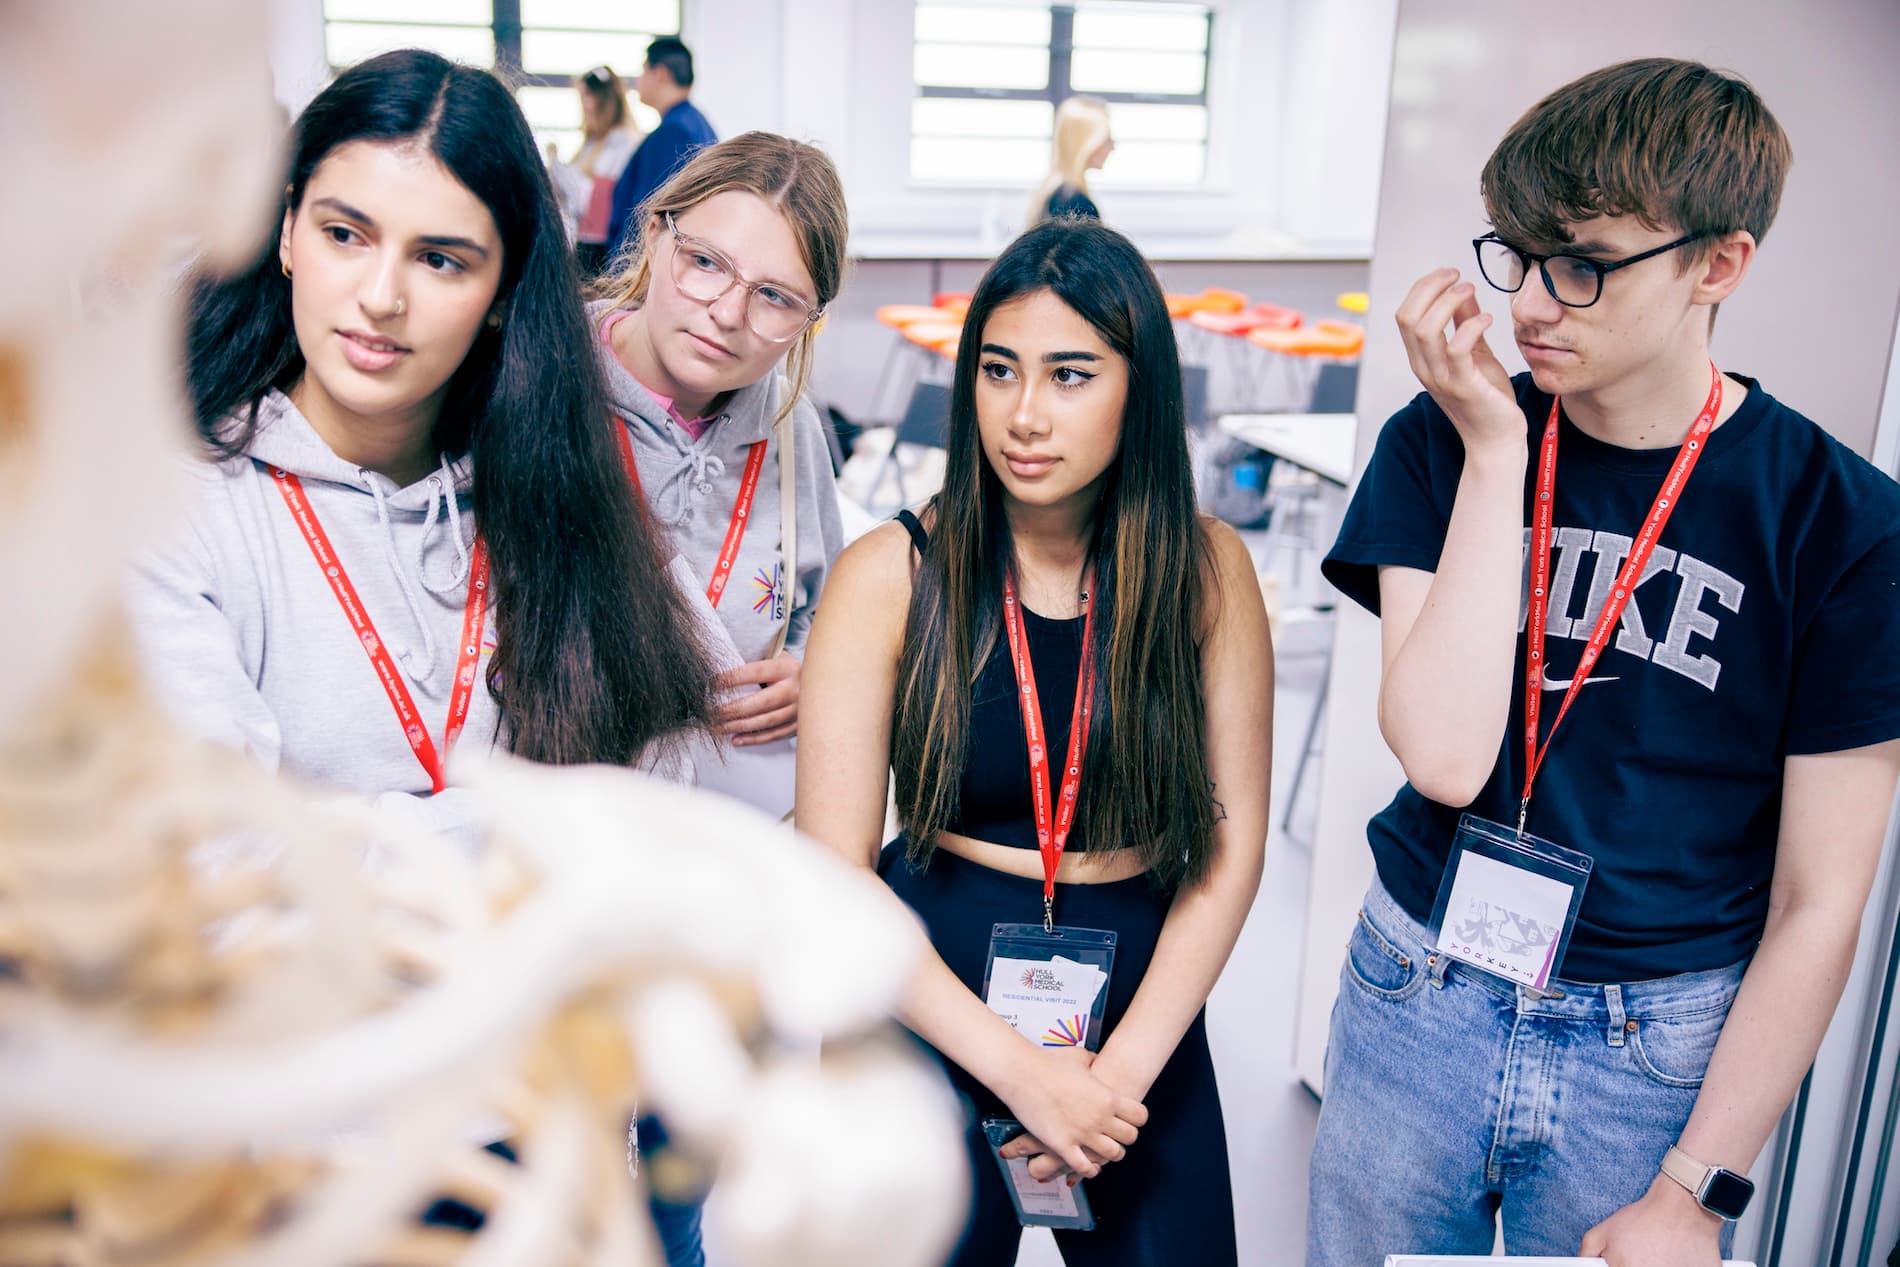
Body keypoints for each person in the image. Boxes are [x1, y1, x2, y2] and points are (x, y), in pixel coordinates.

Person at [130, 47, 720, 1259]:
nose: (380, 297)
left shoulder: (554, 504)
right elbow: (231, 875)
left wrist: (367, 831)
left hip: (546, 1142)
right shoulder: (176, 508)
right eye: (346, 233)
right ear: (284, 231)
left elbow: (656, 804)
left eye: (441, 257)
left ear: (505, 290)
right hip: (300, 1163)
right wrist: (533, 841)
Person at [1309, 57, 1900, 1265]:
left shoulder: (1843, 524)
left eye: (1580, 264)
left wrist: (1694, 1191)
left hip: (1651, 1046)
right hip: (1418, 985)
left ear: (1717, 266)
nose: (1530, 303)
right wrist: (1490, 447)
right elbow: (1441, 752)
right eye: (1515, 255)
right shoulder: (1442, 439)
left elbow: (1817, 902)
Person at [798, 217, 1273, 1265]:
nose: (1023, 415)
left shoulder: (1204, 571)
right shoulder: (891, 574)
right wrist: (1024, 1073)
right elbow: (831, 870)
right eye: (998, 371)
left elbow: (1231, 848)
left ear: (1136, 388)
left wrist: (1111, 1079)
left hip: (1137, 1002)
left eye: (1069, 376)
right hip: (924, 983)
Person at [592, 131, 848, 813]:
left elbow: (833, 604)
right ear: (653, 236)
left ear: (809, 322)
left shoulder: (792, 431)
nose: (728, 314)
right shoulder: (546, 387)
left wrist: (810, 668)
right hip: (562, 816)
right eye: (704, 262)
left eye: (775, 297)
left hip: (727, 828)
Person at [606, 36, 717, 258]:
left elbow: (646, 214)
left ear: (661, 74)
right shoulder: (696, 123)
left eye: (643, 71)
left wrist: (618, 275)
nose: (638, 82)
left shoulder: (673, 134)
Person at [550, 64, 643, 277]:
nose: (584, 106)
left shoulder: (623, 143)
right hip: (584, 239)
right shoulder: (592, 141)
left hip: (602, 244)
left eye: (587, 97)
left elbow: (600, 196)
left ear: (604, 100)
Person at [1026, 95, 1112, 228]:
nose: (1112, 147)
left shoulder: (1056, 192)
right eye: (1106, 139)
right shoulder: (1074, 204)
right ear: (1086, 144)